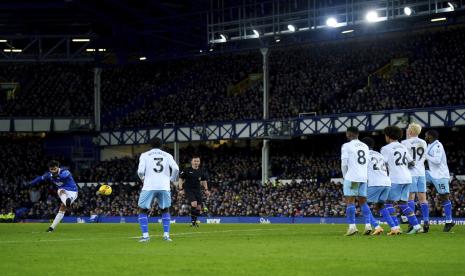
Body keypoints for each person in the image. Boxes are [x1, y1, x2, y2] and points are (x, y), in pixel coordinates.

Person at [136, 137, 179, 242]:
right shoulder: (168, 155)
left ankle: (146, 236)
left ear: (150, 145)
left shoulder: (145, 155)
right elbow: (176, 169)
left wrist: (143, 178)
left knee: (143, 210)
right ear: (162, 145)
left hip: (149, 186)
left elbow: (140, 171)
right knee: (165, 209)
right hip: (164, 186)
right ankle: (166, 235)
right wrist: (171, 179)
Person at [381, 126, 422, 234]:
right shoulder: (403, 147)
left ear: (388, 136)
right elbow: (412, 162)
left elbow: (382, 164)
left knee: (388, 203)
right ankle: (417, 226)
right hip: (407, 178)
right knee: (403, 204)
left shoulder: (385, 149)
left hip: (395, 178)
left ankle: (396, 227)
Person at [340, 127, 375, 236]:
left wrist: (345, 177)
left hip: (353, 177)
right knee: (363, 202)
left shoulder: (346, 146)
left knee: (350, 201)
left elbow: (344, 163)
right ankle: (368, 225)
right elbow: (368, 162)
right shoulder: (365, 146)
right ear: (358, 134)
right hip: (363, 178)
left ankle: (352, 227)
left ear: (348, 134)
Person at [28, 160, 78, 232]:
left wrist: (55, 175)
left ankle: (68, 200)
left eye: (54, 169)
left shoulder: (64, 171)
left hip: (73, 191)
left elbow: (64, 176)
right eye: (51, 169)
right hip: (63, 190)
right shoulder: (49, 174)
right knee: (61, 194)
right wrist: (31, 183)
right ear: (49, 169)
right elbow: (40, 178)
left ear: (58, 167)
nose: (53, 171)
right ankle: (51, 228)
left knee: (62, 196)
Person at [361, 137, 397, 236]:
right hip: (386, 182)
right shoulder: (379, 154)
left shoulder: (365, 154)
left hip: (375, 183)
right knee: (380, 206)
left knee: (362, 202)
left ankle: (376, 226)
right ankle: (394, 228)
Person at [401, 123, 429, 232]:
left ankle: (412, 224)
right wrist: (418, 165)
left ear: (411, 131)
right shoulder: (423, 142)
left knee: (410, 198)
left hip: (410, 173)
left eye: (408, 129)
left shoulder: (404, 143)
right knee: (423, 198)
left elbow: (404, 159)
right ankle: (426, 221)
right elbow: (425, 157)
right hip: (421, 173)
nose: (407, 130)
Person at [425, 130, 455, 232]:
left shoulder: (437, 146)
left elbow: (437, 161)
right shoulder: (429, 145)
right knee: (415, 180)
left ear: (431, 136)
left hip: (440, 175)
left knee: (444, 197)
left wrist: (426, 156)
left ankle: (449, 221)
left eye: (426, 136)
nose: (425, 137)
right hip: (432, 173)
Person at [178, 155, 210, 227]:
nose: (196, 162)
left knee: (198, 209)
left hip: (198, 190)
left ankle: (194, 221)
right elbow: (180, 179)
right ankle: (193, 222)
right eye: (195, 161)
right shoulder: (186, 170)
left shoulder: (201, 171)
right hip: (188, 189)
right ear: (191, 162)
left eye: (198, 161)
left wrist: (206, 190)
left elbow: (204, 181)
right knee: (194, 204)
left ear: (199, 162)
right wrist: (180, 189)